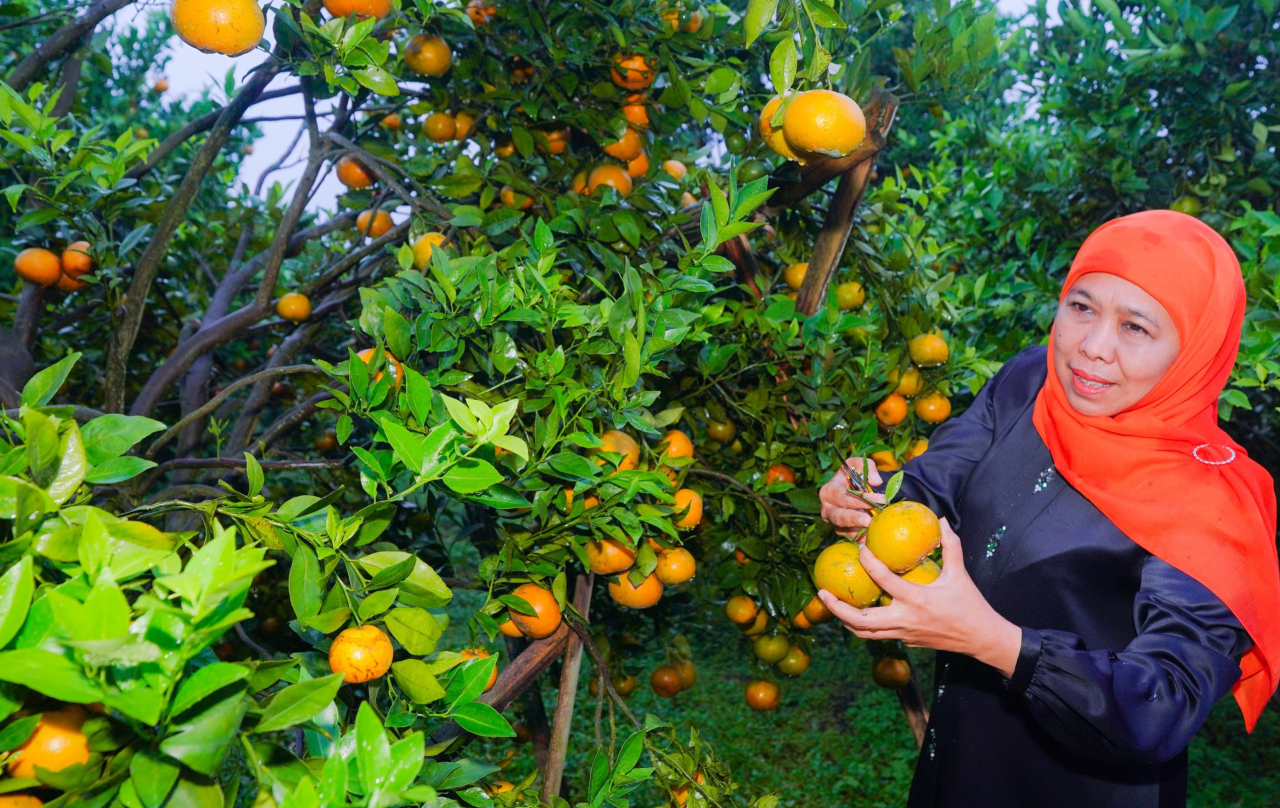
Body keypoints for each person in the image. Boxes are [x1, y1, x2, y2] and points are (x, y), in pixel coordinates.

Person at [817, 210, 1280, 808]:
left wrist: (996, 643)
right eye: (1082, 307)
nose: (1092, 348)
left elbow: (1162, 701)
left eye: (1135, 327)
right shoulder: (1030, 382)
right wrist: (874, 497)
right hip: (960, 756)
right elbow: (937, 481)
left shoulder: (1211, 502)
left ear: (1194, 352)